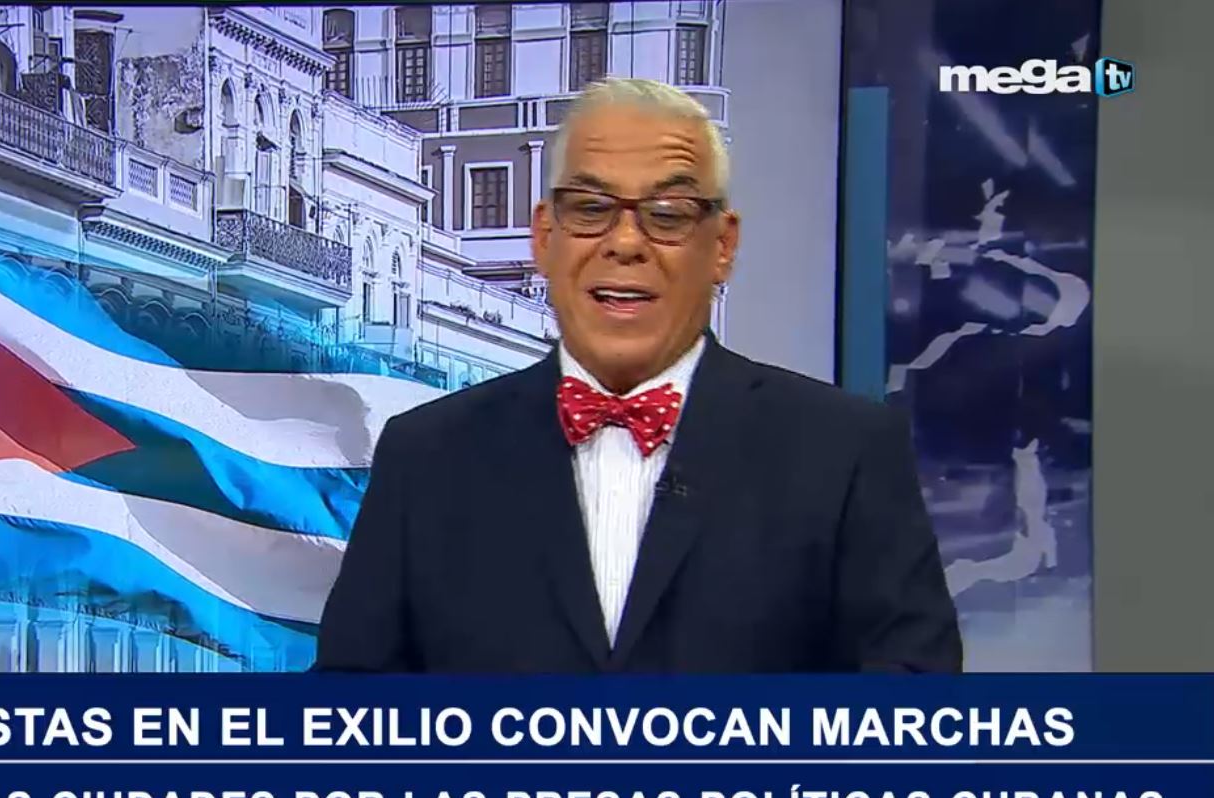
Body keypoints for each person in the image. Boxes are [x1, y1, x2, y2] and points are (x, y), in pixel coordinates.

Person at [314, 78, 962, 673]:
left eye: (668, 213)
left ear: (723, 245)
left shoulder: (844, 453)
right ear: (544, 236)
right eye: (590, 207)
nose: (625, 243)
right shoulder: (427, 457)